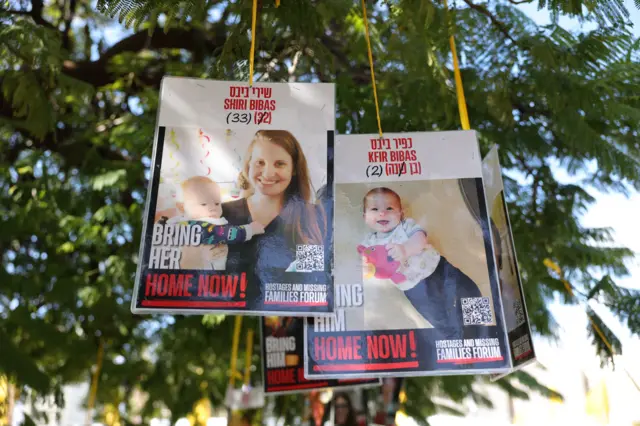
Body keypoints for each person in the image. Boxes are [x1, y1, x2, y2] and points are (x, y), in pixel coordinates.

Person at [213, 130, 329, 308]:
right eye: (260, 162)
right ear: (248, 165)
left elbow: (312, 283)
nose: (268, 173)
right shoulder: (221, 215)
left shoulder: (312, 218)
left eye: (280, 164)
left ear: (295, 170)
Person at [358, 187, 482, 339]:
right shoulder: (369, 243)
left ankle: (479, 326)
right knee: (437, 316)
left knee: (468, 288)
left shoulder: (406, 226)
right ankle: (456, 340)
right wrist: (365, 268)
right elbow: (365, 264)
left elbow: (420, 238)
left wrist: (405, 249)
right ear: (365, 217)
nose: (382, 213)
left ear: (401, 214)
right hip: (415, 287)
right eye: (375, 209)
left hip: (439, 268)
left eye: (389, 208)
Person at [165, 175, 264, 269]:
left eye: (217, 203)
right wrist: (250, 229)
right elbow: (227, 233)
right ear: (182, 207)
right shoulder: (199, 225)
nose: (212, 208)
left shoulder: (182, 222)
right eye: (203, 204)